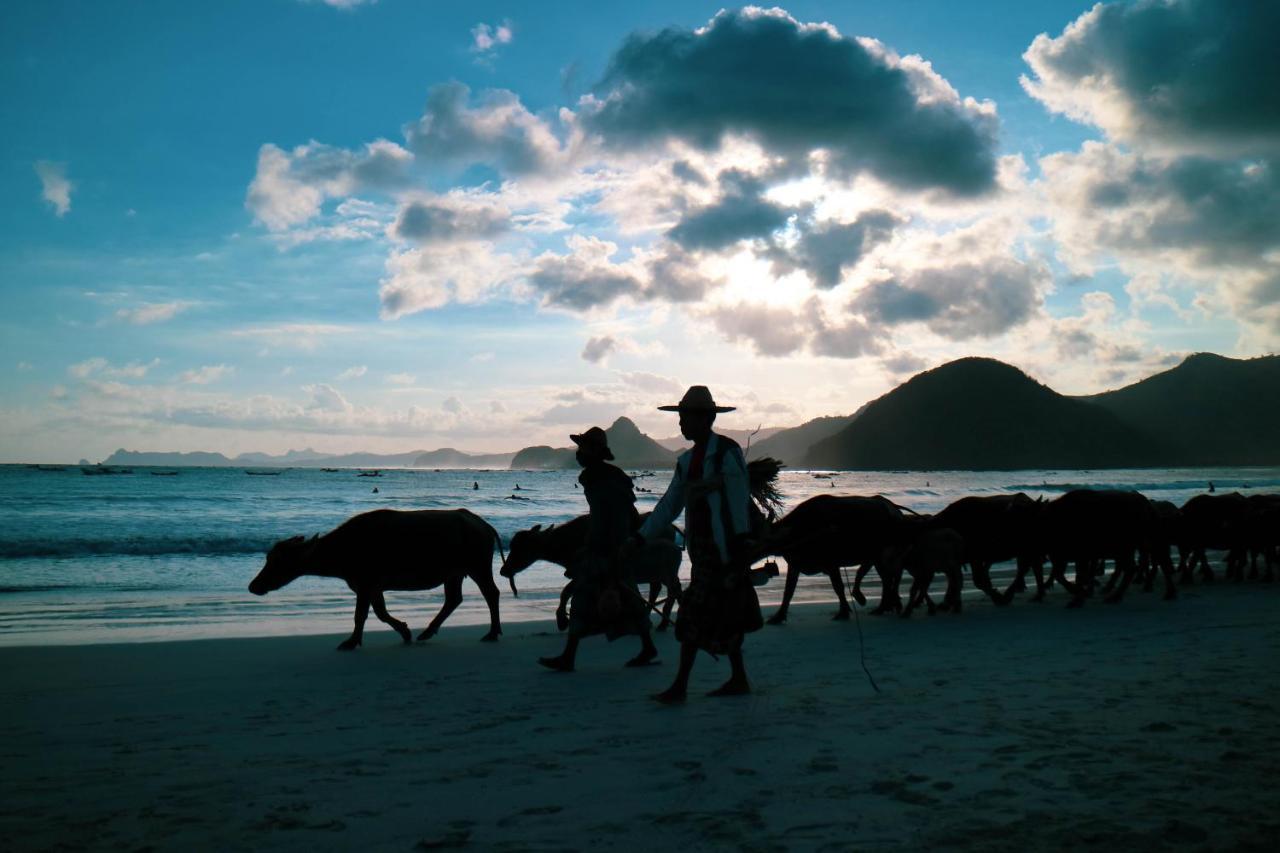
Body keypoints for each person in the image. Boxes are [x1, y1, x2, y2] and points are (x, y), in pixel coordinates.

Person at [628, 386, 762, 703]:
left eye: (684, 417)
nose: (680, 424)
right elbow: (670, 504)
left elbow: (737, 496)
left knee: (692, 615)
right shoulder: (686, 461)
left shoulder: (727, 453)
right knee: (723, 616)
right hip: (702, 553)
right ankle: (736, 679)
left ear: (706, 418)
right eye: (680, 418)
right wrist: (641, 536)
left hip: (726, 550)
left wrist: (739, 546)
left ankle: (681, 687)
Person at [538, 426, 660, 672]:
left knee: (587, 596)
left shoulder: (603, 479)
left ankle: (569, 656)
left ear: (594, 451)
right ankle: (645, 646)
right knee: (620, 595)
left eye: (582, 448)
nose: (578, 453)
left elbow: (614, 515)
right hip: (607, 544)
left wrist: (612, 545)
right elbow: (620, 512)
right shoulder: (603, 476)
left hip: (608, 545)